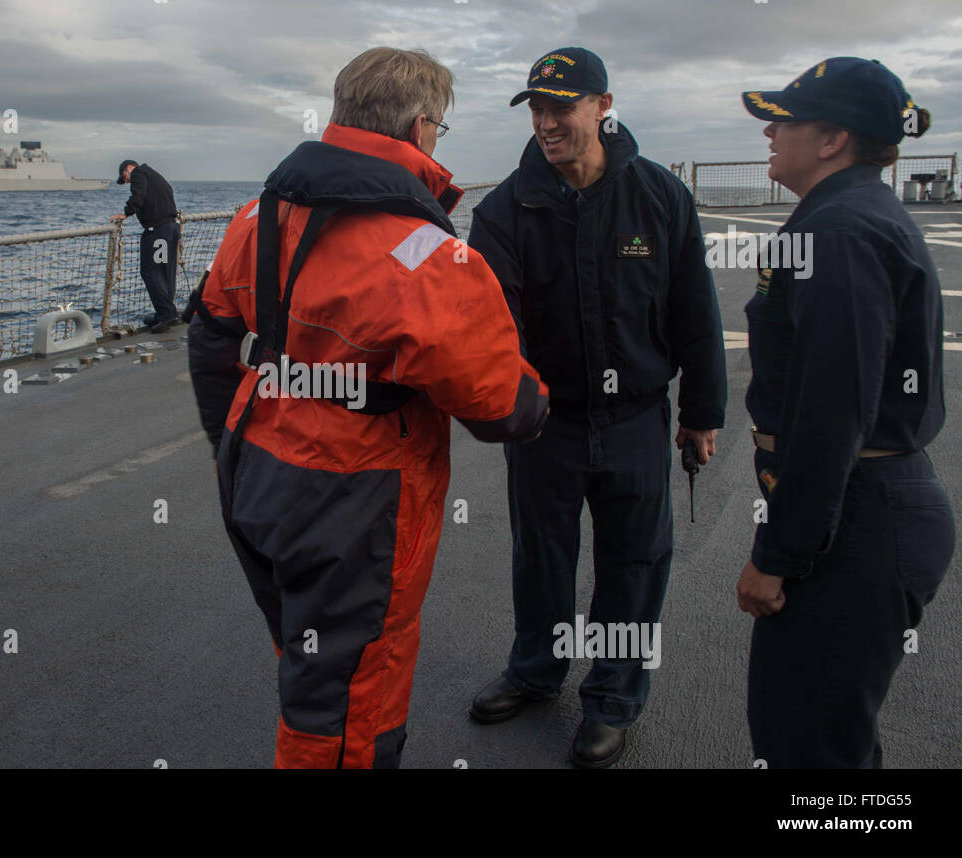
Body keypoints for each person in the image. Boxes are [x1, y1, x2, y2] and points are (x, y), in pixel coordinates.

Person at [188, 47, 550, 768]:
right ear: (421, 130)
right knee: (348, 703)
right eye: (440, 130)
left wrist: (230, 439)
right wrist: (540, 393)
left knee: (305, 656)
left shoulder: (258, 215)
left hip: (254, 472)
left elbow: (210, 334)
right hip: (359, 500)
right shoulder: (425, 256)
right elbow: (500, 408)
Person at [466, 47, 727, 768]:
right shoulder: (505, 209)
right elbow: (496, 330)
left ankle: (612, 698)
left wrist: (701, 414)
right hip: (547, 421)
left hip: (638, 416)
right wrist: (512, 413)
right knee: (541, 558)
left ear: (603, 105)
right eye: (538, 109)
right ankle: (537, 670)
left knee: (634, 563)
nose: (548, 122)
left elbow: (694, 313)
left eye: (563, 105)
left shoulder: (658, 196)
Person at [737, 58, 952, 767]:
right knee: (826, 739)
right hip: (864, 509)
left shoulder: (838, 234)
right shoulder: (845, 218)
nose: (770, 130)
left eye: (785, 119)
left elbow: (831, 415)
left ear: (833, 139)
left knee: (811, 747)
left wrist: (779, 555)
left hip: (859, 519)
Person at [109, 159, 181, 333]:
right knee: (164, 272)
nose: (126, 181)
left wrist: (125, 213)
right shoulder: (155, 175)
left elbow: (137, 196)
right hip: (169, 229)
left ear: (129, 168)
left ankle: (167, 313)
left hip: (157, 233)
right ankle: (164, 312)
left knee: (151, 271)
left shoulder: (139, 173)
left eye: (124, 177)